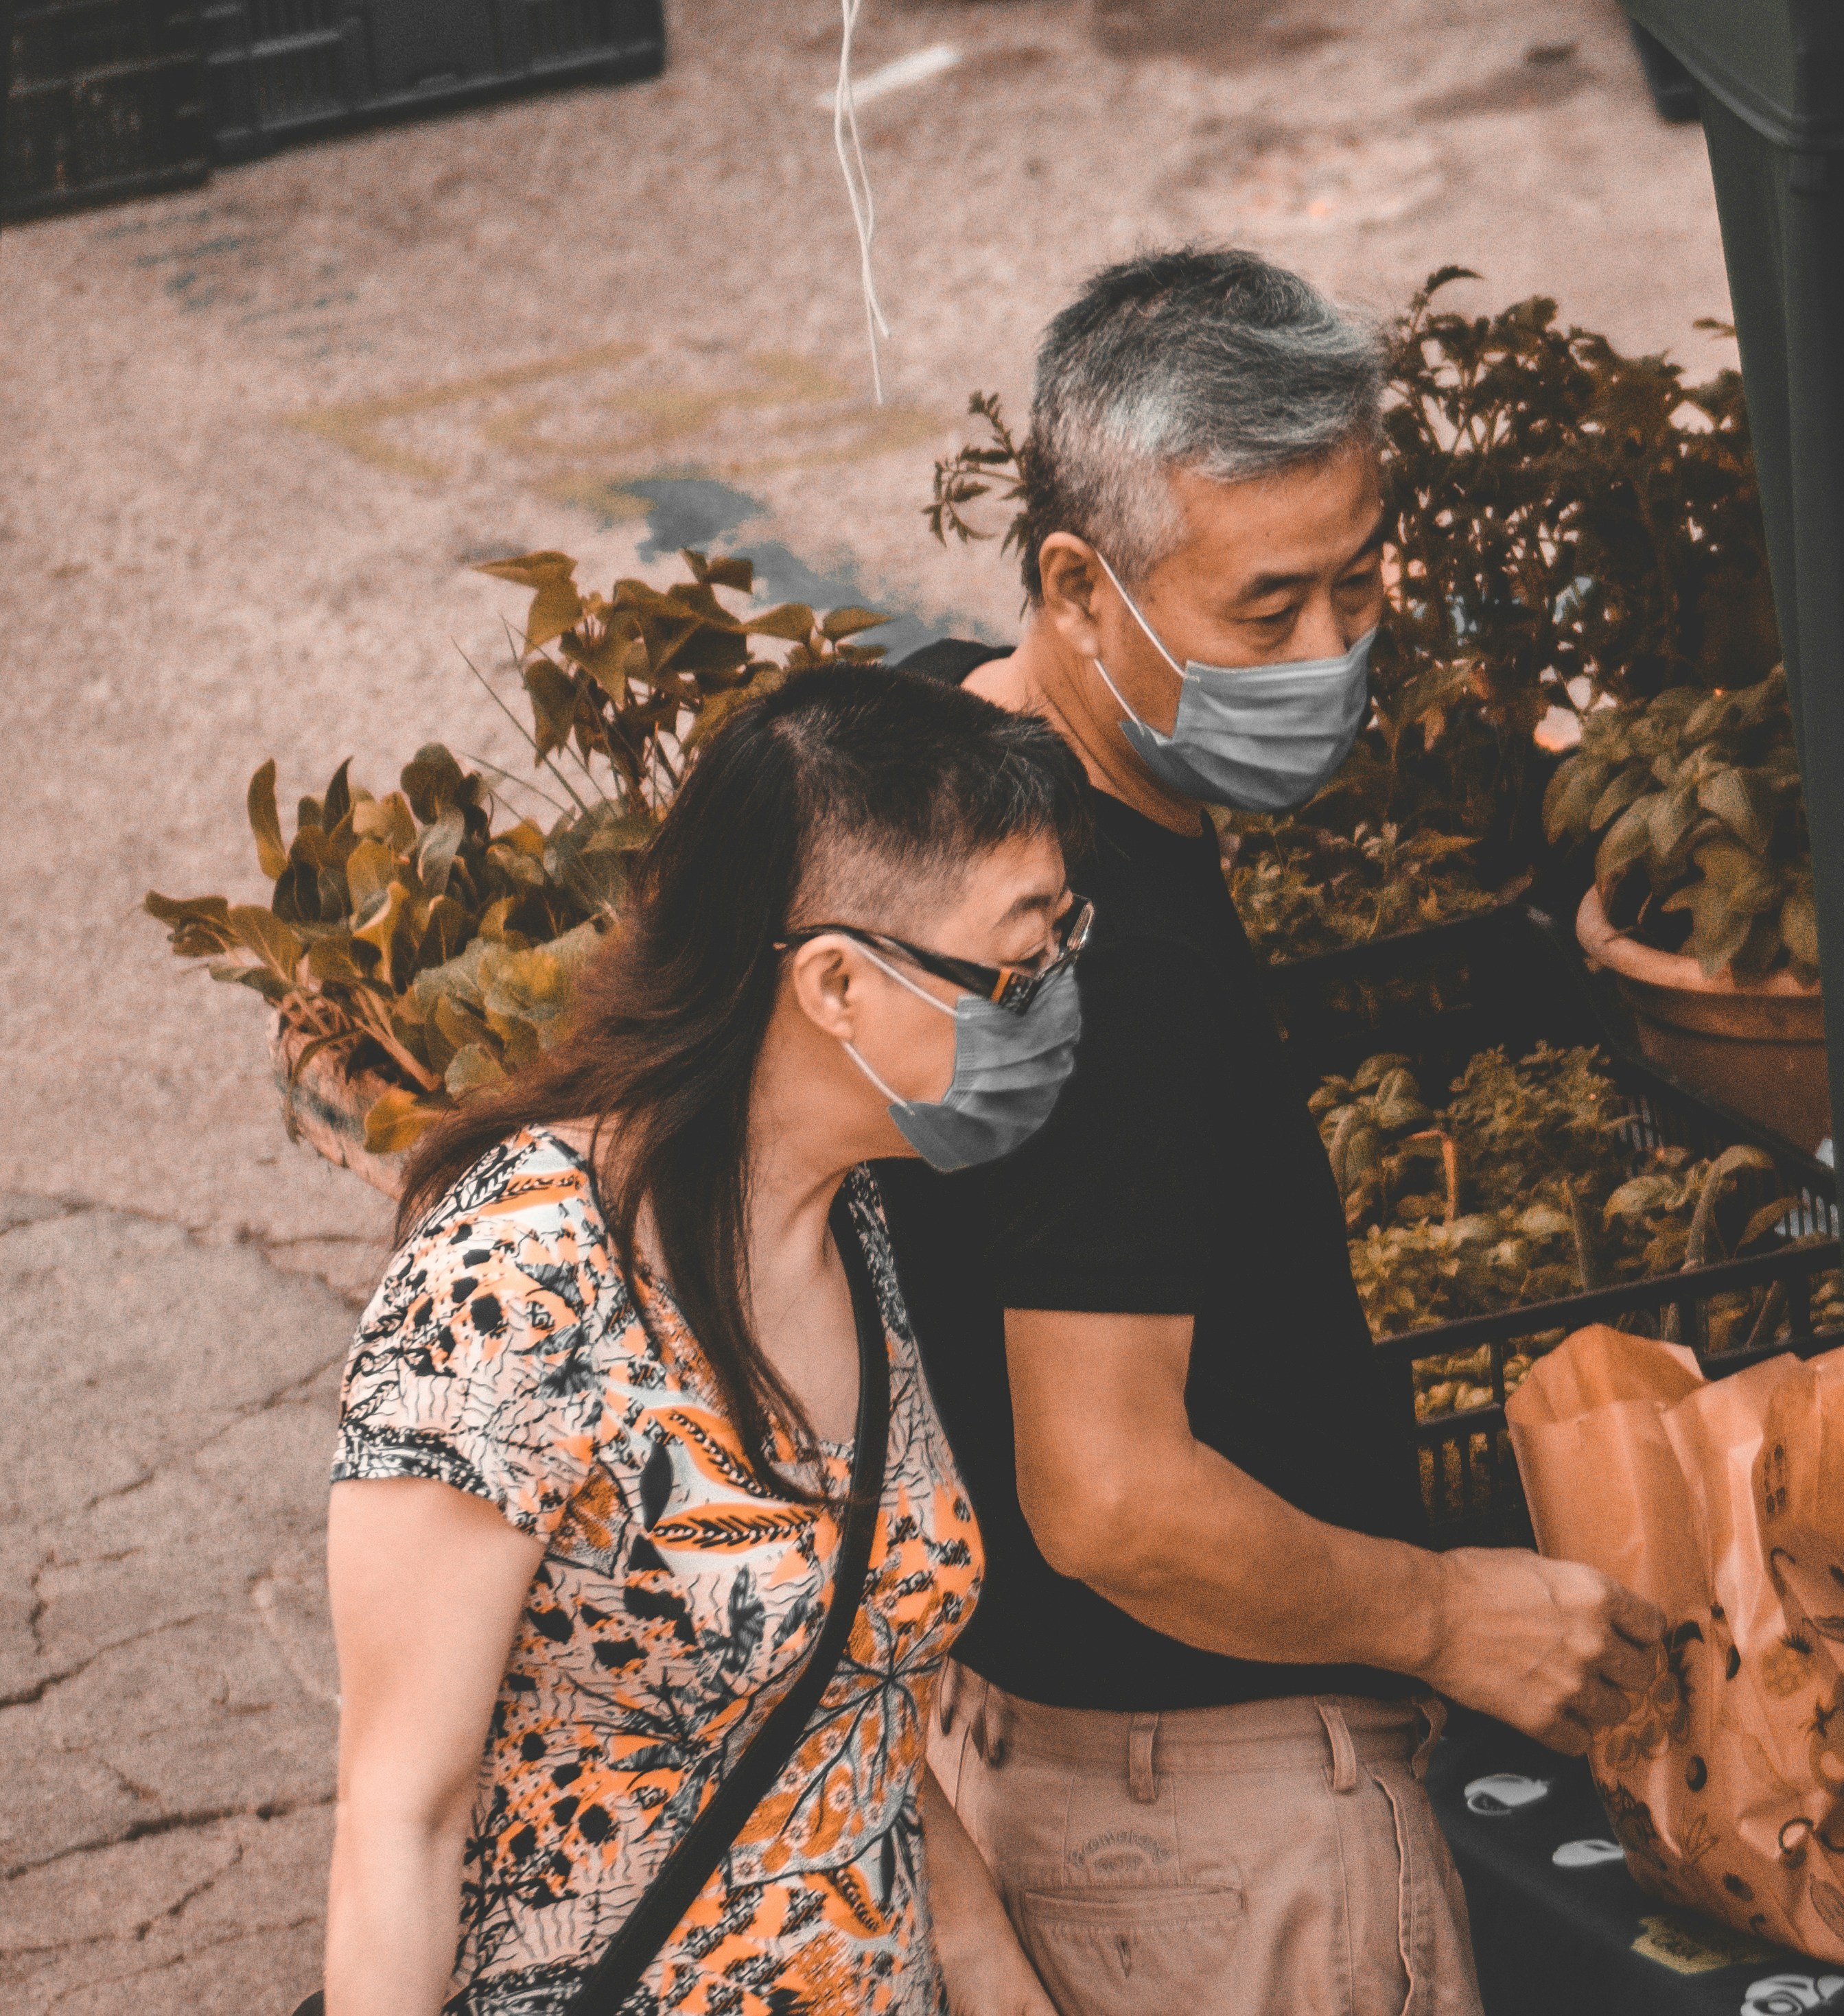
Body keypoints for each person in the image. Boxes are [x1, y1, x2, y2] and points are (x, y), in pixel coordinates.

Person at [880, 247, 1664, 2016]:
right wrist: (1448, 1616)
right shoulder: (1103, 956)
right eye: (1263, 609)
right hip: (1213, 1822)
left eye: (1360, 579)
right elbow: (1110, 1494)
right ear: (1079, 585)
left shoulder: (917, 748)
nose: (1330, 653)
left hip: (1018, 1743)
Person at [322, 669, 1091, 2015]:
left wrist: (990, 1971)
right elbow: (400, 1815)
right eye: (1017, 963)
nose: (1051, 1000)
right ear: (838, 983)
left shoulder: (854, 1220)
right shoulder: (511, 1285)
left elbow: (849, 1683)